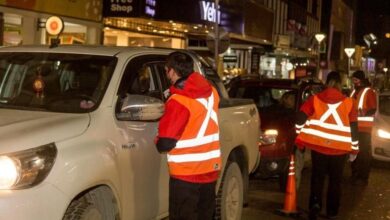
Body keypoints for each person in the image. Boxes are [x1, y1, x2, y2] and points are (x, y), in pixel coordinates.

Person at [155, 51, 221, 220]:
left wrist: (157, 139)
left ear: (171, 71)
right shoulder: (212, 92)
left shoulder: (178, 101)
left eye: (166, 71)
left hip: (186, 176)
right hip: (209, 171)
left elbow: (165, 143)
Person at [294, 71, 359, 220]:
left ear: (327, 83)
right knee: (335, 182)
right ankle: (332, 212)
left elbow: (300, 118)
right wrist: (354, 149)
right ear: (340, 84)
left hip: (318, 148)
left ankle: (315, 205)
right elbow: (354, 128)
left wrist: (300, 136)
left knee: (317, 178)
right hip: (339, 151)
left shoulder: (315, 99)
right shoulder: (349, 103)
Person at [349, 70, 377, 186]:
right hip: (353, 126)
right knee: (353, 151)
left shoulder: (368, 91)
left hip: (364, 128)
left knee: (363, 153)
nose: (354, 82)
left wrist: (363, 113)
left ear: (361, 80)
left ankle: (363, 177)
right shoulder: (353, 91)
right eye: (353, 80)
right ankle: (355, 174)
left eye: (355, 80)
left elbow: (373, 108)